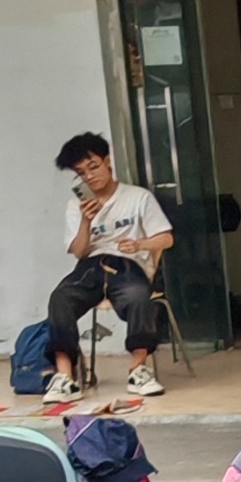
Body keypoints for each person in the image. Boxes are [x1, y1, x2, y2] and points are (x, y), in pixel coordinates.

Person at [43, 130, 173, 403]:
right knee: (60, 298)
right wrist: (85, 222)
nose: (90, 176)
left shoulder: (138, 197)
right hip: (90, 267)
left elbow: (166, 238)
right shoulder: (76, 205)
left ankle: (138, 370)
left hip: (128, 265)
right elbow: (78, 252)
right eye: (82, 173)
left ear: (107, 162)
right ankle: (65, 377)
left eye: (94, 167)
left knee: (139, 297)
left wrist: (139, 245)